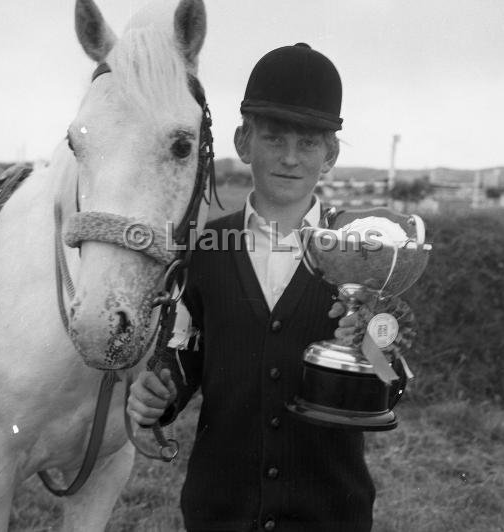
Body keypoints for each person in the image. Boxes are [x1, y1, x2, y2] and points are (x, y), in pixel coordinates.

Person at [127, 43, 375, 531]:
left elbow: (391, 376)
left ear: (330, 155)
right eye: (274, 138)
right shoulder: (205, 248)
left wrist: (373, 351)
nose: (289, 157)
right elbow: (185, 354)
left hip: (329, 512)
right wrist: (160, 394)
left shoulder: (363, 252)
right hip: (221, 510)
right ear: (243, 142)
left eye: (308, 143)